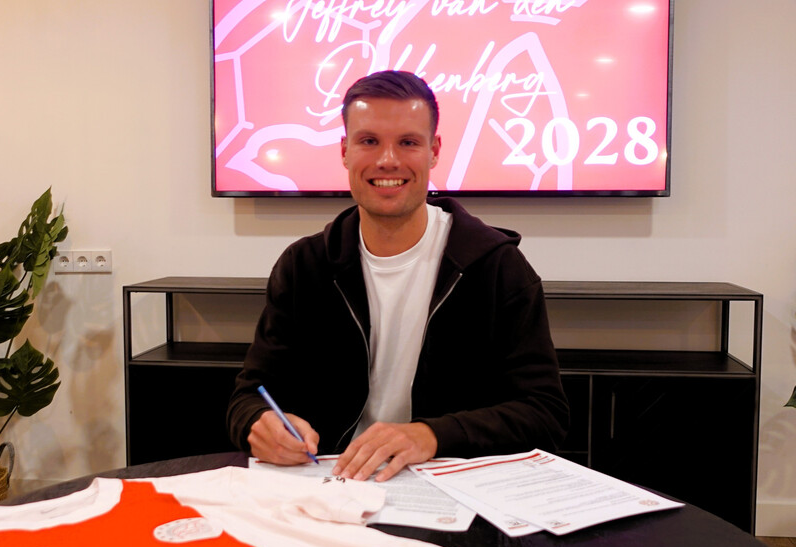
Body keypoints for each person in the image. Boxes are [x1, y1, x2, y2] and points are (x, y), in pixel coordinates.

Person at [227, 70, 568, 482]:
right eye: (369, 141)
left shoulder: (496, 267)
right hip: (328, 483)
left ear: (434, 150)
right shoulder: (304, 266)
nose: (387, 160)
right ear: (345, 151)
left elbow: (545, 413)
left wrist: (430, 435)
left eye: (407, 142)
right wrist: (257, 424)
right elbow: (250, 395)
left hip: (452, 487)